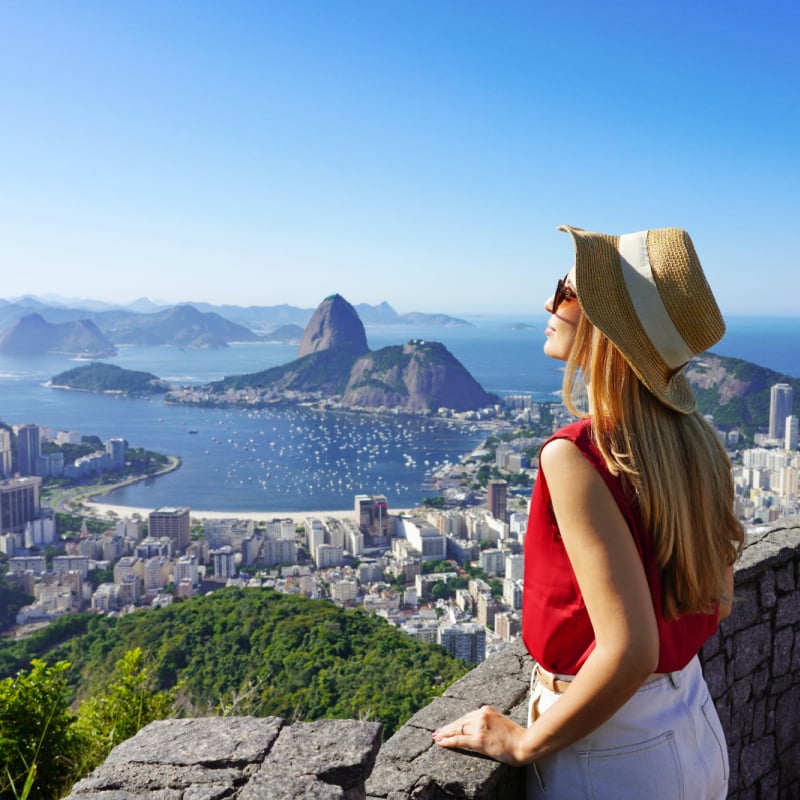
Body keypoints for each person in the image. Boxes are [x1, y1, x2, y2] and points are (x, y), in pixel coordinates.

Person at [432, 225, 744, 799]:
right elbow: (719, 599)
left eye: (567, 292)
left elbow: (630, 650)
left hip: (611, 751)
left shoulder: (576, 456)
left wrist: (525, 743)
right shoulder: (699, 444)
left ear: (607, 324)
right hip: (692, 724)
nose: (548, 305)